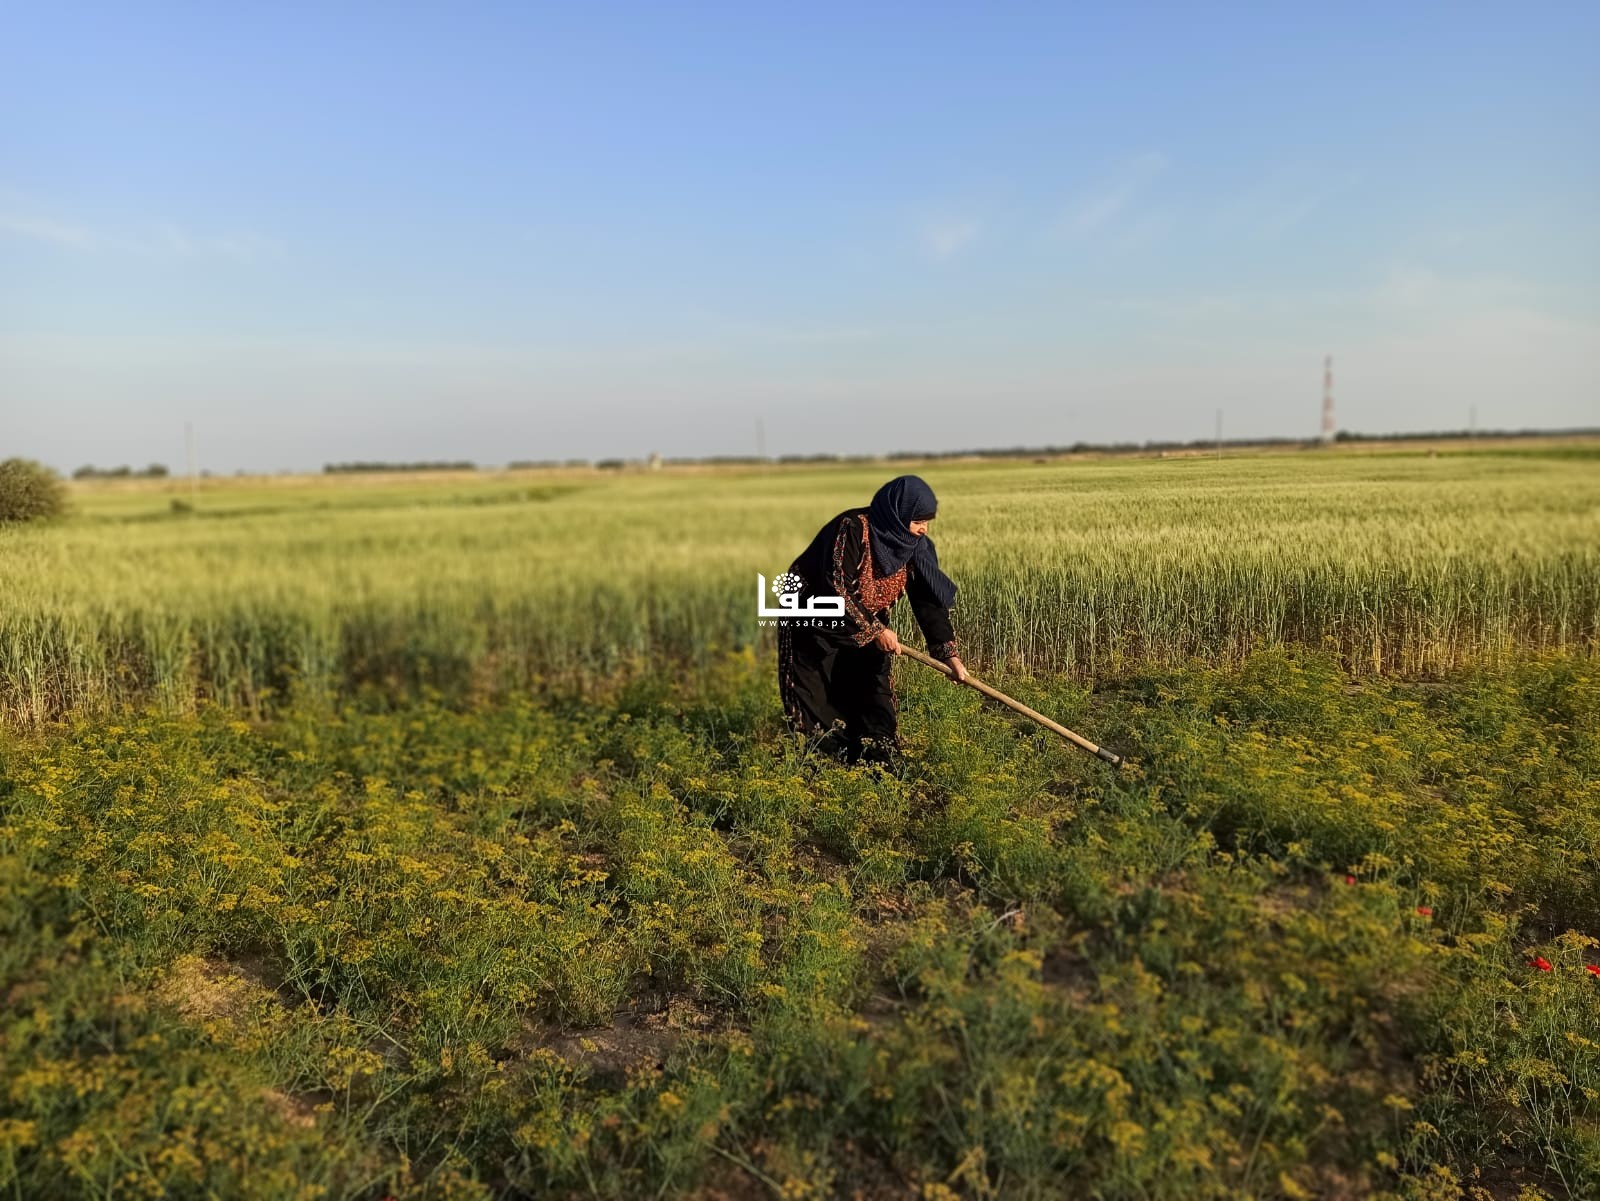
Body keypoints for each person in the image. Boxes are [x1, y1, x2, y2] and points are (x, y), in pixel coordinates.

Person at [777, 475, 967, 765]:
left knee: (875, 695)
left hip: (864, 620)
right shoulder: (852, 528)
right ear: (897, 514)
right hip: (813, 619)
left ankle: (879, 767)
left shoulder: (916, 547)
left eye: (927, 522)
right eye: (917, 521)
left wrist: (948, 655)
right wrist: (875, 630)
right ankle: (822, 773)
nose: (923, 529)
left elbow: (928, 602)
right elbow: (836, 585)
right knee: (816, 701)